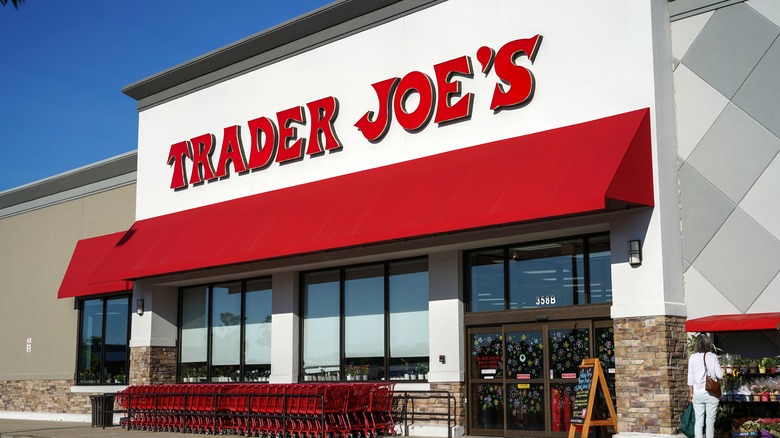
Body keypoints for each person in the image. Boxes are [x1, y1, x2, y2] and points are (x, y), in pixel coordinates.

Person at [687, 333, 723, 438]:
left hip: (697, 394)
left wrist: (691, 394)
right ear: (708, 344)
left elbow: (690, 378)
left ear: (697, 344)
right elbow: (720, 375)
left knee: (698, 421)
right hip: (711, 393)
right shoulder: (712, 357)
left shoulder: (692, 357)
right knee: (710, 422)